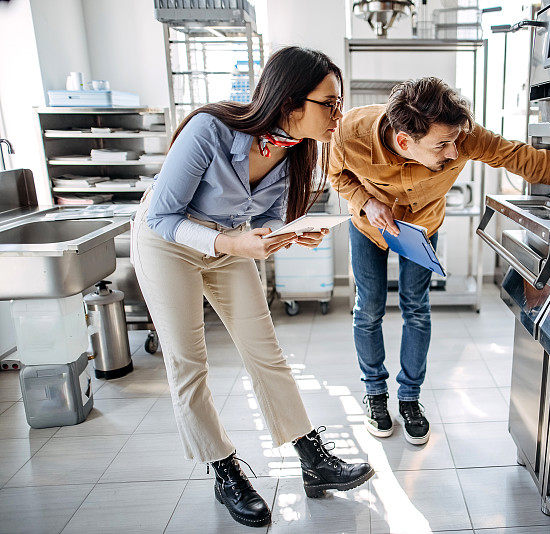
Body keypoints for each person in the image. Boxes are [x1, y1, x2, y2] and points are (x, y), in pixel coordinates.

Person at [131, 47, 373, 528]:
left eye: (339, 102)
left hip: (228, 246)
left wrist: (282, 234)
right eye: (330, 103)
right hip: (167, 242)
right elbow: (162, 216)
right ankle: (225, 471)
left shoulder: (295, 153)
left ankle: (313, 460)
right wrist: (230, 242)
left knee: (266, 352)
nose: (338, 114)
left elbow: (261, 222)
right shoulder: (210, 130)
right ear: (290, 103)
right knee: (189, 362)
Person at [330, 77, 550, 445]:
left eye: (455, 142)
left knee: (415, 307)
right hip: (369, 227)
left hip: (420, 227)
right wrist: (365, 202)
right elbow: (335, 174)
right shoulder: (348, 133)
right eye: (442, 146)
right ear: (404, 142)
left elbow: (525, 160)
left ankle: (409, 398)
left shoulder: (462, 137)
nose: (454, 154)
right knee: (368, 308)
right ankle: (374, 393)